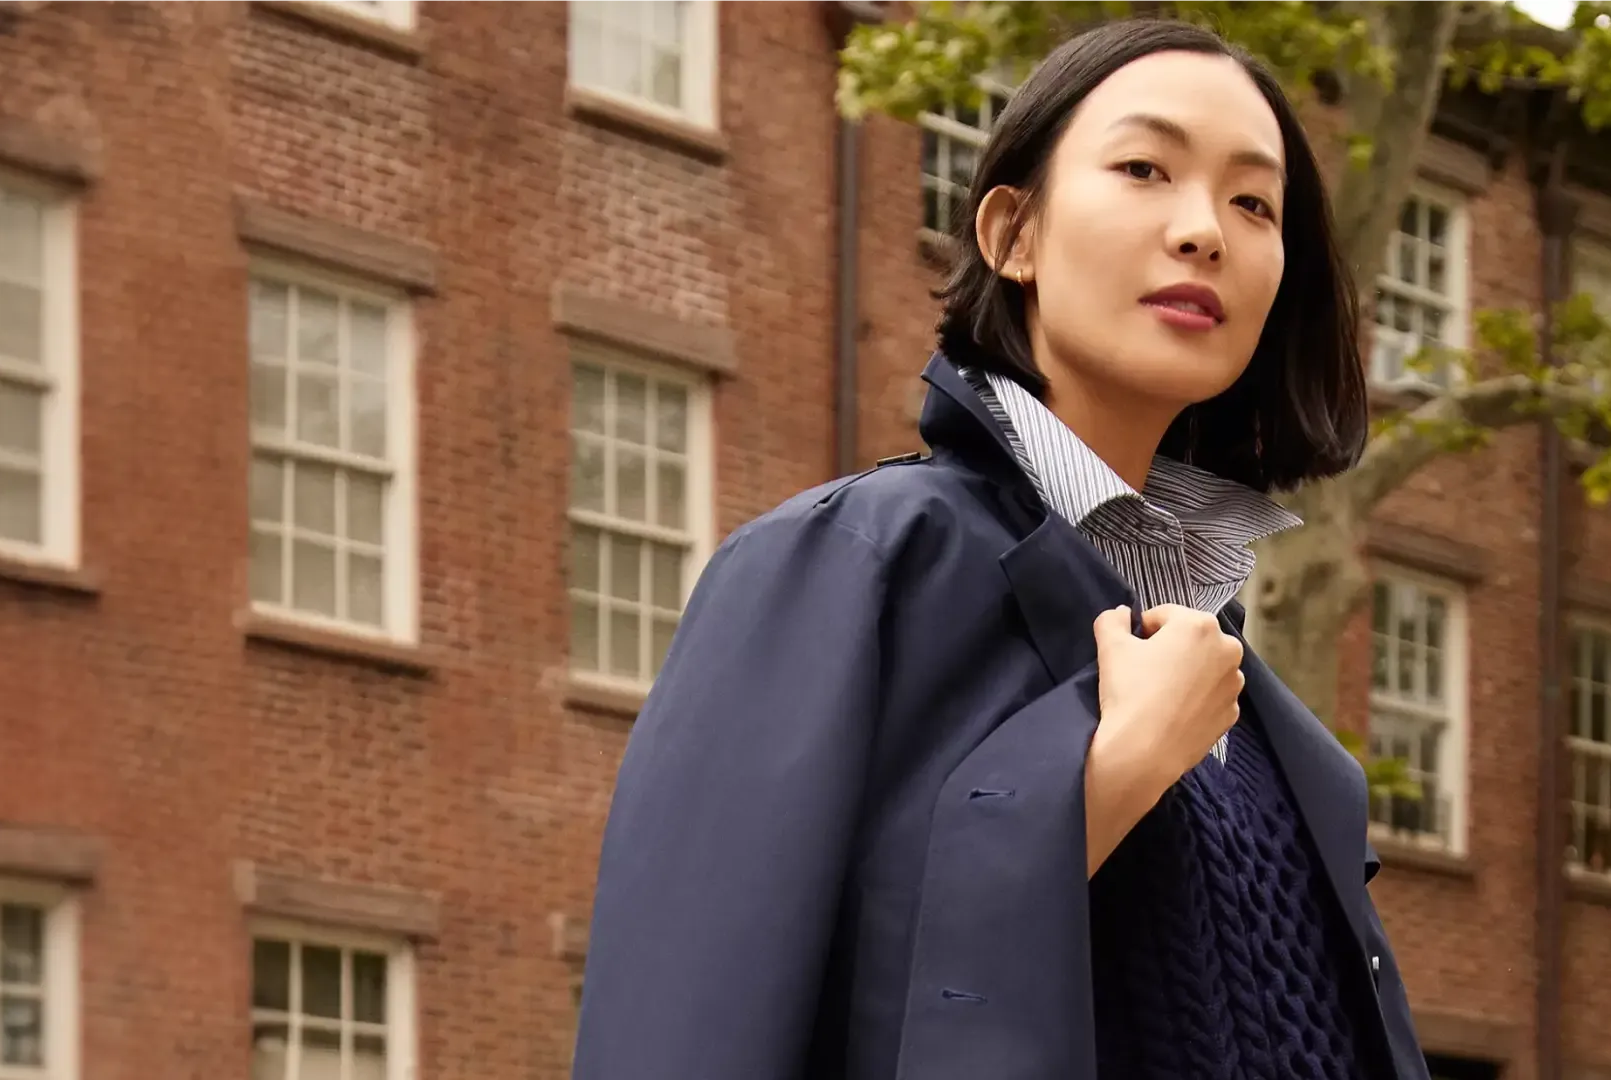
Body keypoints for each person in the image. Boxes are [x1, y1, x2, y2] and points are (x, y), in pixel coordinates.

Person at [572, 16, 1421, 1080]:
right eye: (1143, 168)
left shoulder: (1254, 705)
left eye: (1253, 202)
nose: (1204, 228)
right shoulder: (850, 566)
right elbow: (693, 1030)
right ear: (1010, 234)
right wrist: (1098, 785)